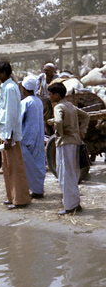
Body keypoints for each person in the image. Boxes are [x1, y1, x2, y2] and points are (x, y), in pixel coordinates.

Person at [0, 61, 32, 209]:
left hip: (9, 134)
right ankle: (12, 196)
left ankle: (20, 199)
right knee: (8, 167)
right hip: (4, 131)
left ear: (3, 73)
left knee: (15, 167)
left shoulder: (10, 88)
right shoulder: (5, 87)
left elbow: (11, 114)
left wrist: (9, 137)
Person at [48, 82, 89, 215]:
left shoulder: (58, 106)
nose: (49, 97)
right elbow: (86, 116)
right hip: (75, 142)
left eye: (50, 94)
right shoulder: (70, 105)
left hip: (65, 143)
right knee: (72, 173)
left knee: (65, 174)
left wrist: (58, 131)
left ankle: (70, 206)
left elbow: (59, 121)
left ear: (56, 95)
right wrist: (82, 131)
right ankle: (75, 203)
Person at [20, 75, 46, 199]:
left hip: (27, 137)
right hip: (38, 137)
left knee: (28, 164)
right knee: (38, 162)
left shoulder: (25, 102)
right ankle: (38, 188)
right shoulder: (38, 101)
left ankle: (33, 189)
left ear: (24, 88)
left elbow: (19, 120)